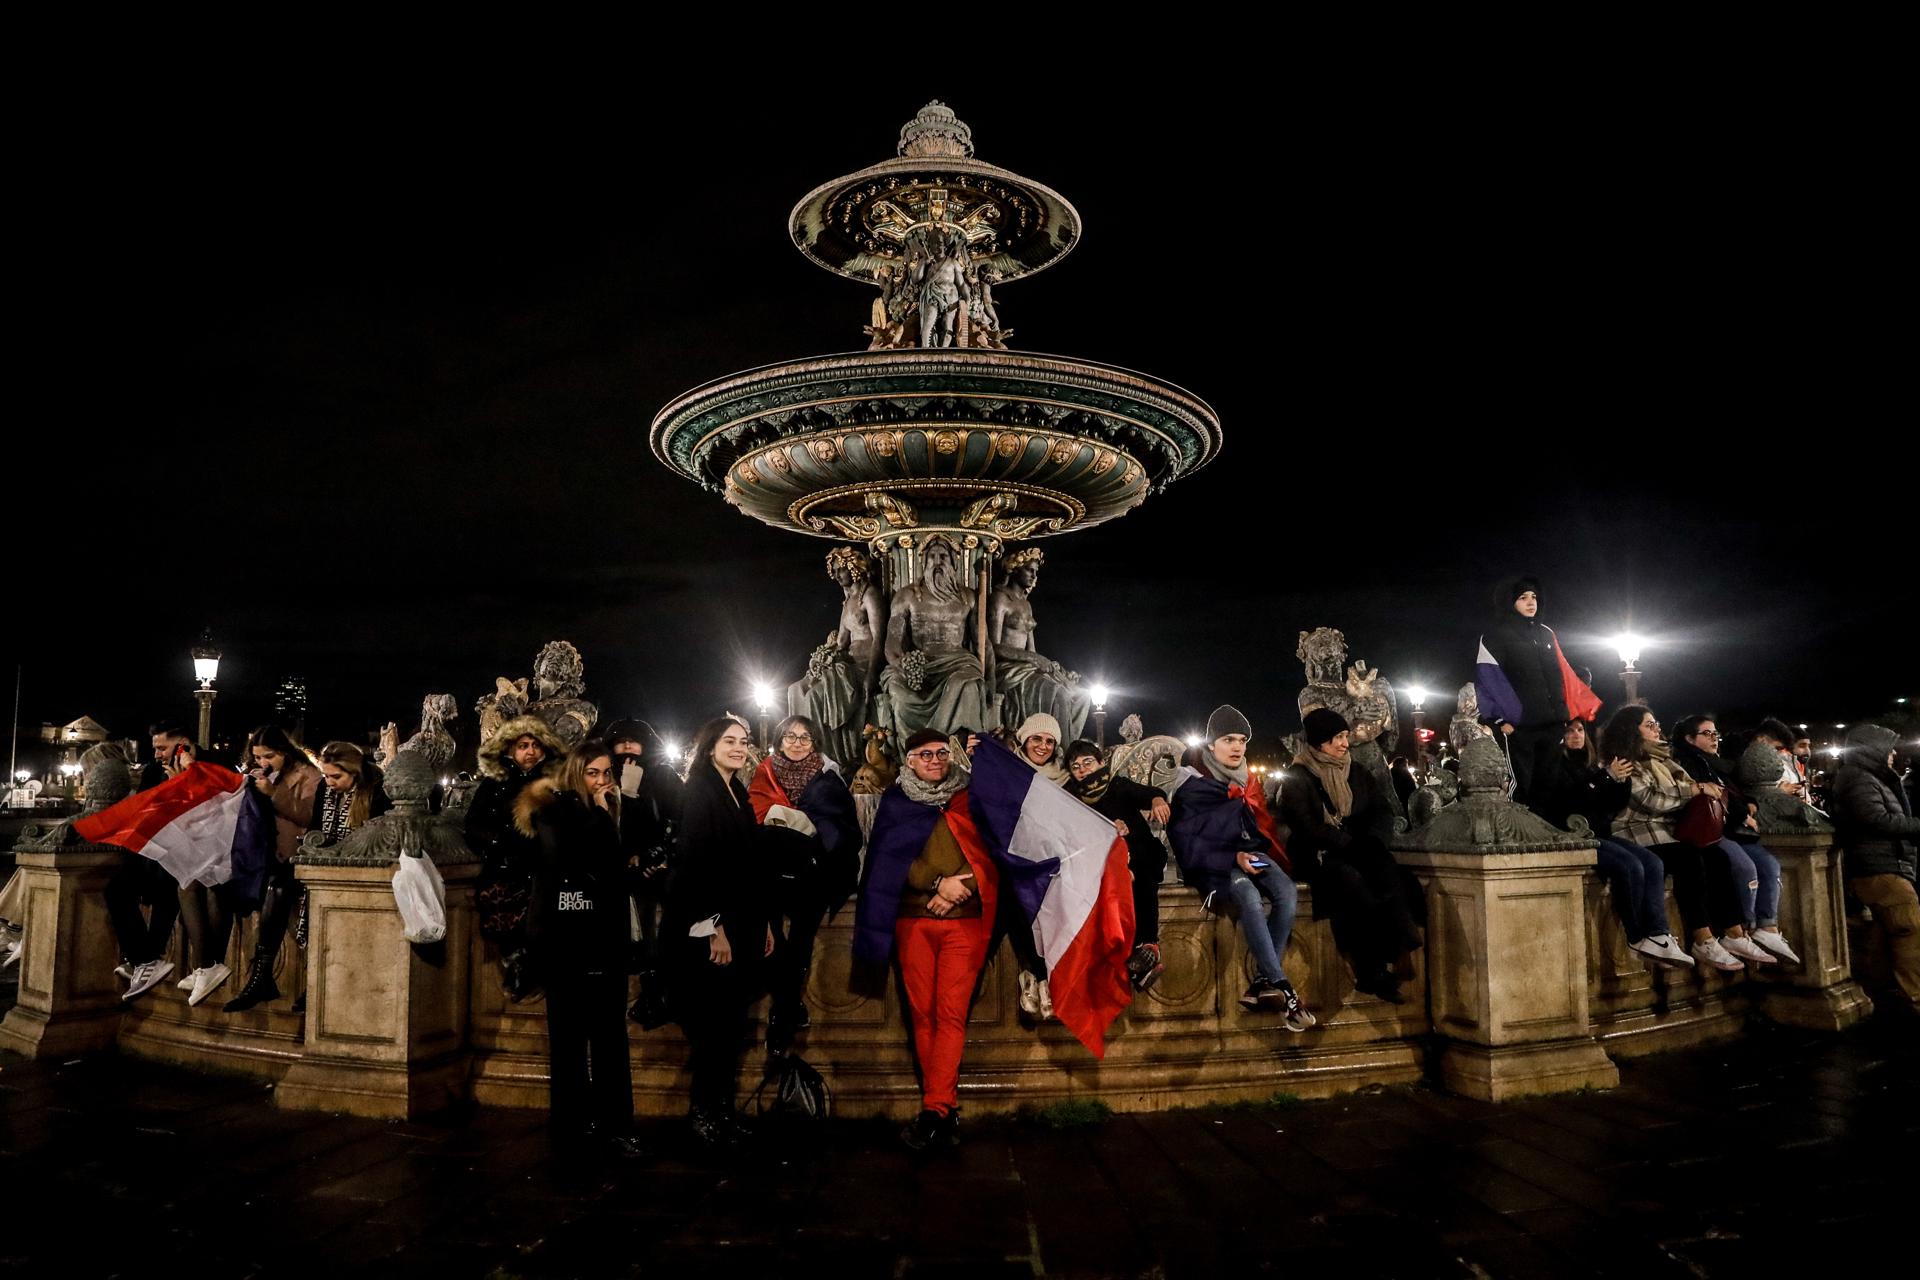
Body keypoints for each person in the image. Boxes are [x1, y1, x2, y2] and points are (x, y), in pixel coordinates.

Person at [854, 726, 1000, 1151]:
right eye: (924, 754)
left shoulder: (971, 797)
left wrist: (964, 886)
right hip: (914, 920)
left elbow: (996, 850)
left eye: (941, 753)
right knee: (922, 1015)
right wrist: (936, 883)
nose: (935, 760)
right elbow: (889, 857)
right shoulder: (898, 802)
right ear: (910, 761)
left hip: (964, 920)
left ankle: (935, 1108)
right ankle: (944, 1108)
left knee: (950, 1015)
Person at [516, 739, 642, 1157]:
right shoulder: (558, 812)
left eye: (607, 773)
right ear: (576, 773)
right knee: (570, 1042)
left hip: (602, 941)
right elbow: (584, 863)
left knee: (608, 1038)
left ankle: (611, 1124)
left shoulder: (605, 813)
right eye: (593, 773)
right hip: (569, 942)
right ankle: (576, 1125)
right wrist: (607, 819)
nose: (602, 781)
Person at [1166, 705, 1311, 1029]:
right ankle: (1284, 987)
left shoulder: (1248, 782)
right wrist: (1234, 859)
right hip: (1220, 865)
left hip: (1249, 855)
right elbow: (1186, 840)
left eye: (1242, 740)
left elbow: (1258, 829)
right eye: (1228, 739)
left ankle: (1263, 981)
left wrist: (1248, 853)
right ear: (1211, 744)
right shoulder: (1193, 787)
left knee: (1286, 890)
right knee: (1247, 894)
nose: (1236, 747)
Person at [667, 716, 774, 1148]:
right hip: (716, 925)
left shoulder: (736, 792)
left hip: (744, 919)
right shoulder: (700, 792)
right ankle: (704, 1114)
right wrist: (712, 928)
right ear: (710, 745)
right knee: (713, 1027)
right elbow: (695, 863)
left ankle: (723, 1111)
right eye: (729, 741)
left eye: (744, 741)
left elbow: (749, 865)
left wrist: (763, 921)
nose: (738, 747)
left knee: (730, 1026)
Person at [1276, 708, 1426, 1006]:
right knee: (1353, 884)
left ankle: (1401, 946)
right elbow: (1305, 826)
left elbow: (1381, 810)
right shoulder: (1298, 776)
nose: (1345, 743)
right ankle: (1372, 969)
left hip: (1357, 845)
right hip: (1319, 854)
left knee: (1388, 869)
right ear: (1319, 742)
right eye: (1337, 738)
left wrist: (1374, 839)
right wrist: (1345, 842)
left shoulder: (1356, 771)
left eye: (1345, 736)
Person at [1599, 705, 1757, 973]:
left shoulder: (1665, 759)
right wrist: (1694, 790)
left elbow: (1681, 791)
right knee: (1689, 860)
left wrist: (1699, 792)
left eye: (1656, 723)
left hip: (1670, 831)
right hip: (1641, 832)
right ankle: (1702, 938)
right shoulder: (1624, 760)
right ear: (1631, 729)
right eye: (1649, 725)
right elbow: (1651, 799)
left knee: (1717, 857)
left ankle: (1734, 933)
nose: (1656, 728)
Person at [1534, 719, 1692, 968]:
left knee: (1652, 862)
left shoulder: (1590, 763)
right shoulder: (1554, 763)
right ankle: (1636, 937)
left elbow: (1609, 805)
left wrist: (1620, 781)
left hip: (1599, 831)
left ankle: (1658, 934)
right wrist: (1605, 777)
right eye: (1569, 731)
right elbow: (1568, 801)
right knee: (1629, 865)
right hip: (1574, 836)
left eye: (1579, 730)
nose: (1575, 735)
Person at [746, 713, 860, 1052]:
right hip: (770, 872)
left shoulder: (828, 778)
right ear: (780, 741)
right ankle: (788, 1006)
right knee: (770, 940)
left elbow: (844, 827)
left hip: (815, 872)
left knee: (800, 942)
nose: (796, 743)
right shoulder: (763, 772)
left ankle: (782, 1014)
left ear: (815, 743)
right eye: (790, 737)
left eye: (804, 738)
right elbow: (752, 812)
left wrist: (813, 836)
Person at [1670, 715, 1799, 964]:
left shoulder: (1717, 763)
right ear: (1689, 738)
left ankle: (1768, 926)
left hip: (1730, 829)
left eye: (1714, 733)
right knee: (1742, 866)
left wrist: (1747, 804)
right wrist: (1741, 812)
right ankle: (1743, 929)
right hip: (1710, 831)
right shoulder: (1688, 761)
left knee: (1769, 864)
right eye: (1706, 734)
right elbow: (1712, 795)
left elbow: (1730, 791)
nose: (1713, 738)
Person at [467, 716, 568, 1001]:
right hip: (502, 867)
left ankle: (529, 971)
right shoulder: (494, 783)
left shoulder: (553, 784)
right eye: (523, 745)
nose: (530, 752)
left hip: (540, 869)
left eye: (536, 745)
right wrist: (496, 843)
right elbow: (473, 823)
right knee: (504, 925)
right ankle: (517, 966)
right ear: (510, 749)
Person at [1475, 577, 1600, 805]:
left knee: (1548, 786)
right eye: (1523, 597)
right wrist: (1500, 719)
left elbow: (1562, 672)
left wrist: (1564, 712)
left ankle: (1542, 835)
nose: (1531, 602)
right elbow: (1488, 678)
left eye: (1534, 597)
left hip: (1552, 724)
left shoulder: (1546, 634)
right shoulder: (1495, 636)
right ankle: (1517, 836)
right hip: (1520, 727)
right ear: (1510, 601)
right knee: (1521, 785)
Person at [224, 726, 323, 1012]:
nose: (263, 762)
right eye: (257, 757)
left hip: (292, 857)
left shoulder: (309, 776)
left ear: (284, 752)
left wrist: (274, 793)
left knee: (279, 891)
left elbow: (308, 814)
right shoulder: (257, 773)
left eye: (269, 756)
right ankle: (259, 975)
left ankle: (262, 975)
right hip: (261, 855)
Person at [1064, 739, 1171, 992]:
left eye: (1088, 762)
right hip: (1104, 862)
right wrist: (1105, 833)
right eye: (1076, 766)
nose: (1083, 770)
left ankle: (1148, 945)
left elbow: (1147, 794)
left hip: (1141, 855)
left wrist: (1157, 800)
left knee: (1141, 875)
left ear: (1101, 763)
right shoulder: (1070, 795)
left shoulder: (1117, 785)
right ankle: (1137, 966)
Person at [1830, 724, 1920, 1015]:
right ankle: (1916, 997)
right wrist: (1917, 825)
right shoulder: (1859, 778)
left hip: (1883, 864)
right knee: (1910, 931)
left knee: (1883, 936)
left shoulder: (1867, 777)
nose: (1893, 753)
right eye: (1888, 747)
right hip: (1880, 867)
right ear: (1873, 750)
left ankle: (1877, 995)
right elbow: (1874, 819)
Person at [103, 722, 194, 1001]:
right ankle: (144, 959)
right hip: (153, 849)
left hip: (189, 854)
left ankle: (147, 958)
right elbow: (143, 807)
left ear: (184, 744)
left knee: (168, 882)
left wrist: (183, 782)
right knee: (115, 889)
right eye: (154, 747)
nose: (156, 754)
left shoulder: (208, 766)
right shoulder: (154, 771)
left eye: (162, 748)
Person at [602, 719, 683, 987]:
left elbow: (677, 819)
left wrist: (657, 855)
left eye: (634, 739)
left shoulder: (663, 775)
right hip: (620, 866)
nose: (627, 744)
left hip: (659, 865)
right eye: (621, 740)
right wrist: (626, 793)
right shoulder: (605, 776)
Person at [1003, 713, 1065, 1016]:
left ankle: (1038, 978)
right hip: (1018, 860)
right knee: (1017, 901)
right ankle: (1038, 977)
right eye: (1036, 739)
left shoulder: (1065, 778)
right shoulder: (1008, 772)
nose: (1043, 746)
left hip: (1053, 861)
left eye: (1050, 741)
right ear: (1023, 740)